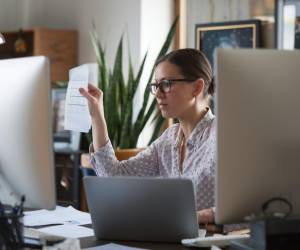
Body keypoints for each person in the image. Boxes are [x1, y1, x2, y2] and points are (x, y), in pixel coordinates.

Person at [80, 48, 216, 225]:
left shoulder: (222, 137)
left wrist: (203, 216)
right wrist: (97, 116)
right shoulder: (169, 139)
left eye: (166, 84)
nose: (158, 94)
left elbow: (249, 206)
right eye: (156, 86)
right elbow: (114, 176)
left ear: (197, 87)